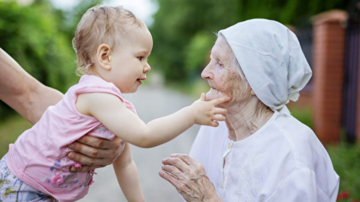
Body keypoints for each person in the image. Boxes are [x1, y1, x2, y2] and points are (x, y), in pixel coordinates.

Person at [0, 5, 229, 202]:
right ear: (105, 57)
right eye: (140, 57)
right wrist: (192, 114)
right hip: (22, 184)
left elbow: (126, 164)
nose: (147, 66)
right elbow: (145, 135)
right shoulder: (96, 95)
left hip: (39, 189)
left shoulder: (114, 107)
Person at [159, 19, 340, 202]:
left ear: (257, 82)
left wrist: (207, 198)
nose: (205, 72)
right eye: (211, 60)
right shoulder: (216, 121)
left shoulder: (291, 154)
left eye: (220, 64)